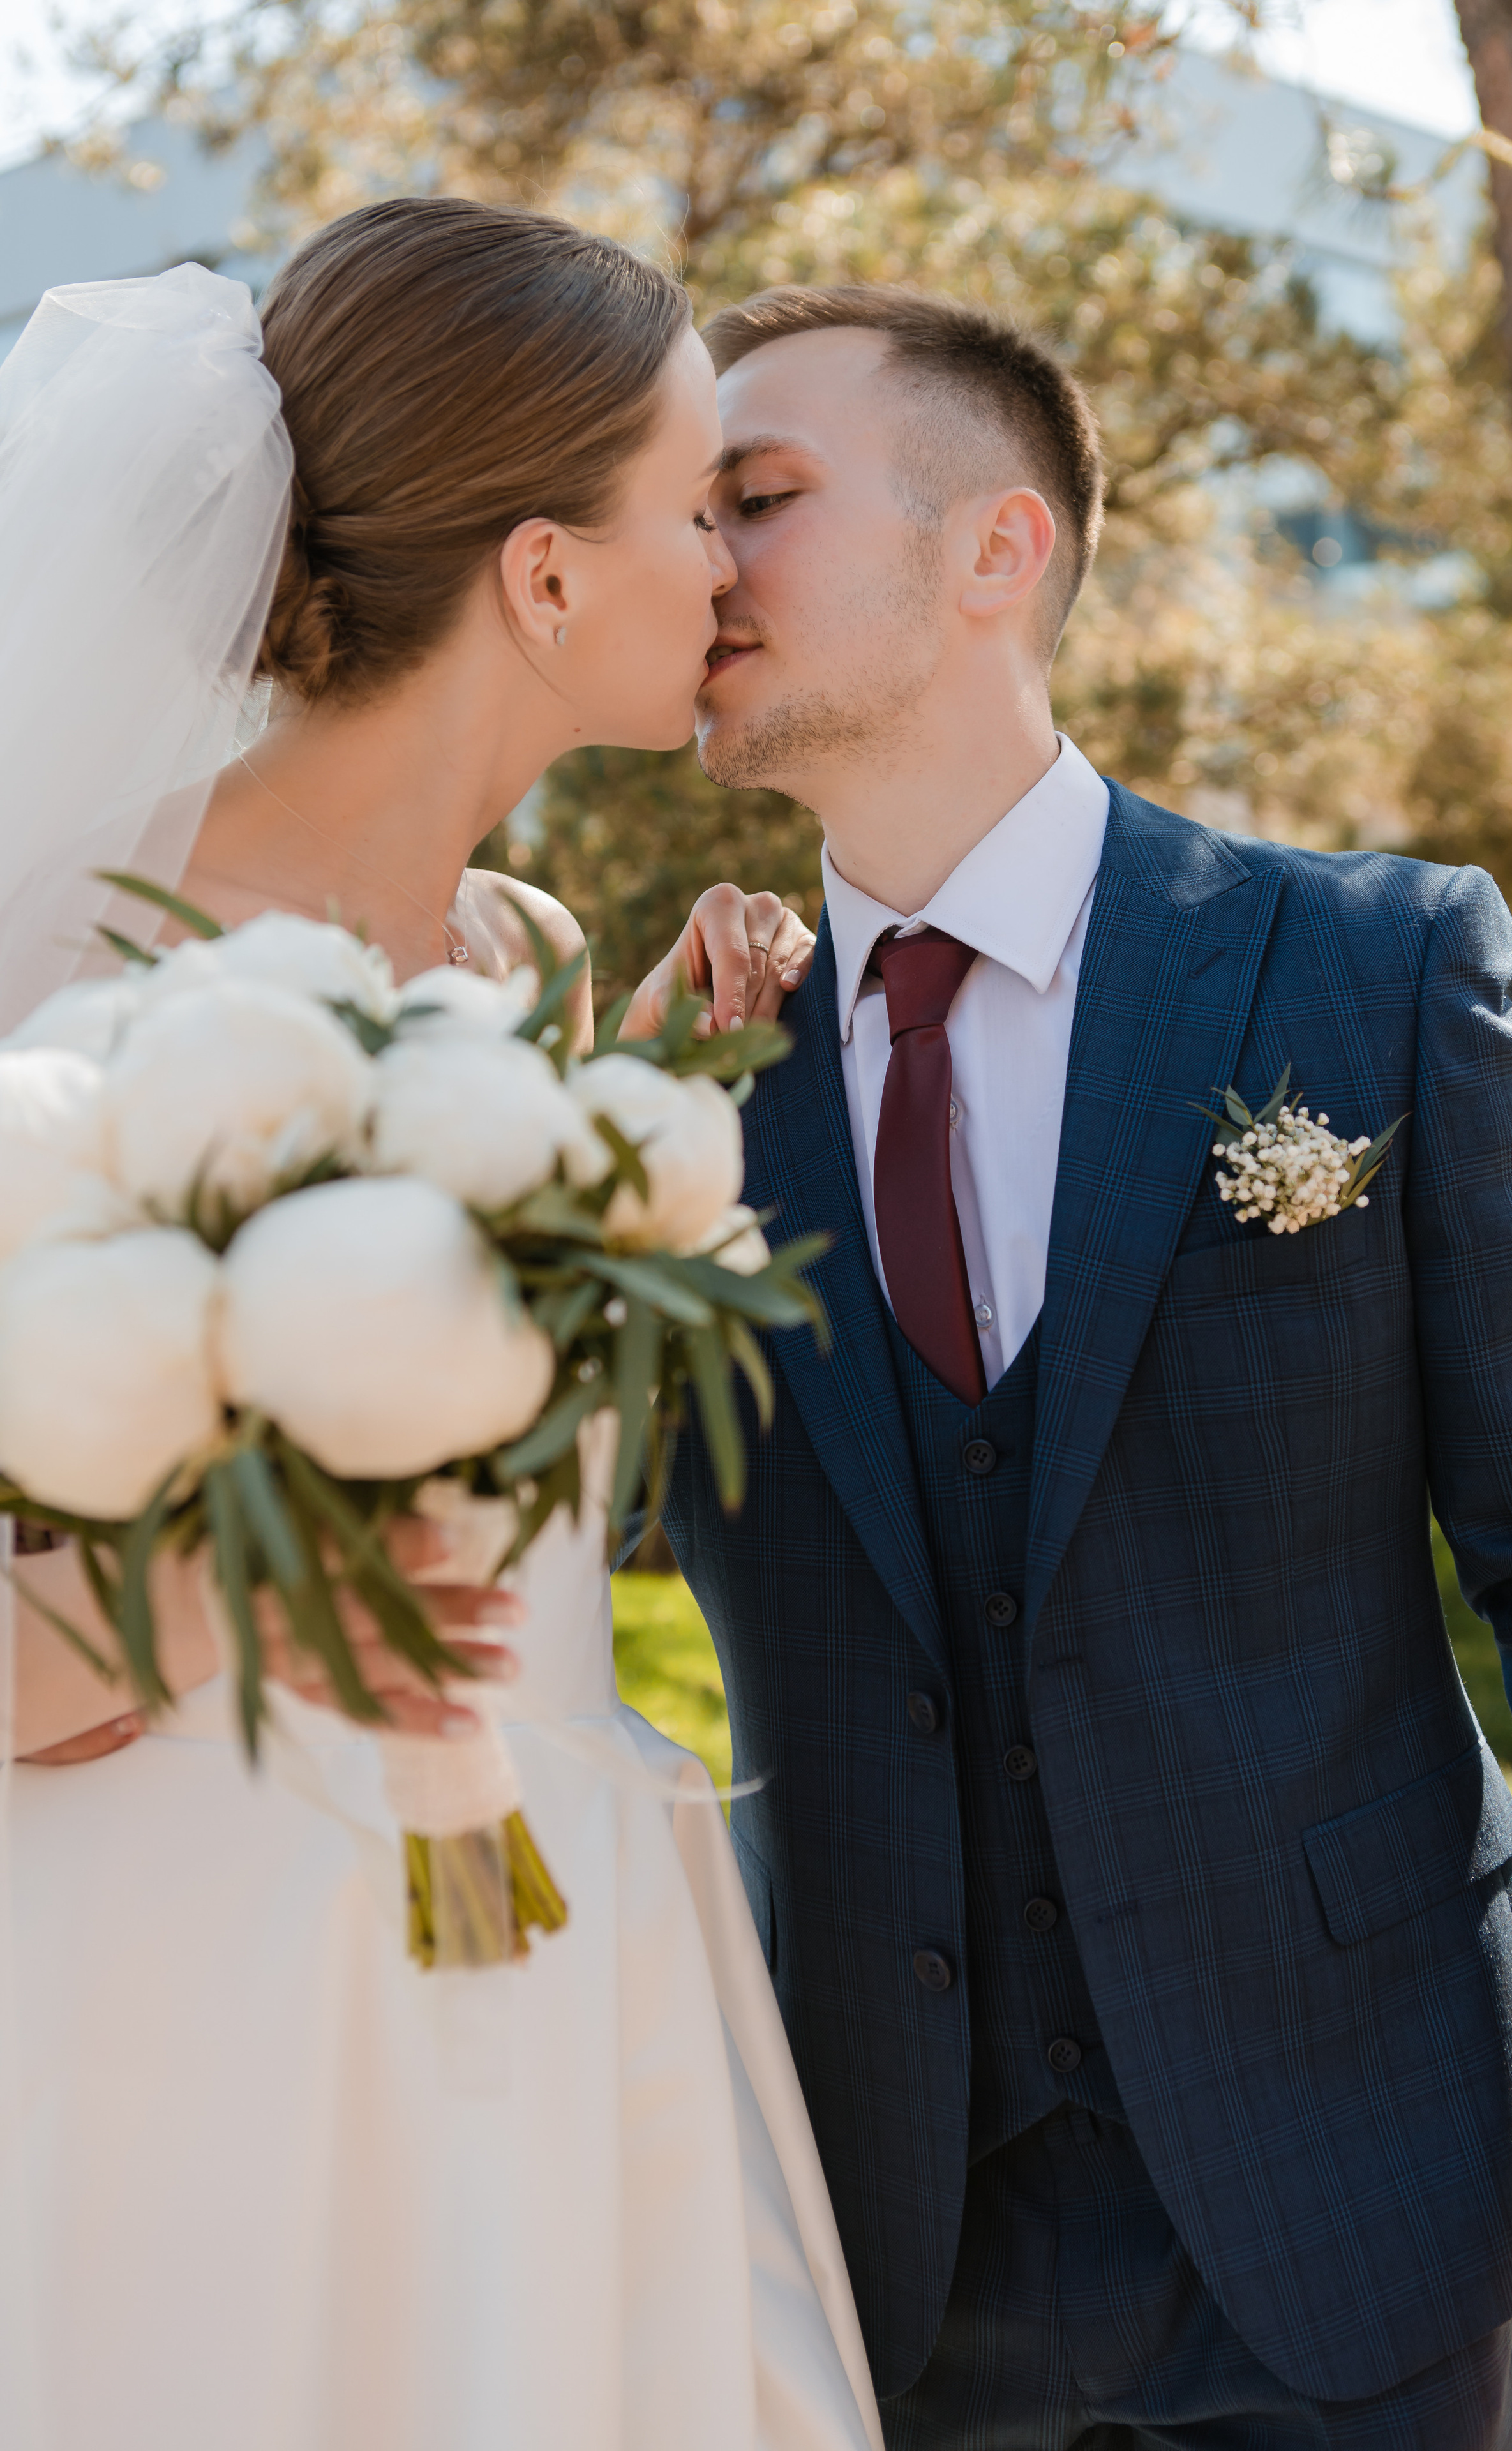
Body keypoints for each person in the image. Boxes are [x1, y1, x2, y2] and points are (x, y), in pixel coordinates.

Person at [654, 283, 1512, 2450]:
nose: (699, 558)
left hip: (1361, 2207)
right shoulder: (675, 1096)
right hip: (878, 2256)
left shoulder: (1372, 968)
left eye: (761, 496)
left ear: (997, 549)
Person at [0, 204, 884, 2451]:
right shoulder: (83, 948)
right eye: (697, 507)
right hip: (200, 1981)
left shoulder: (522, 958)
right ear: (546, 575)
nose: (731, 572)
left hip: (545, 1934)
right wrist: (257, 1591)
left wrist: (637, 1126)